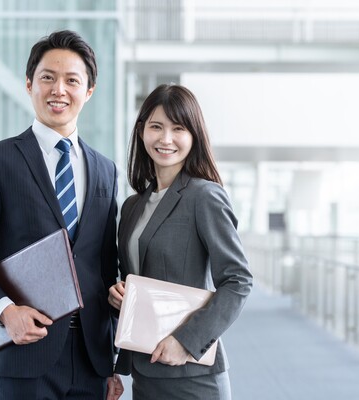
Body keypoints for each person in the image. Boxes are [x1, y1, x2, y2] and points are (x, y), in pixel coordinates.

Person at [0, 30, 124, 400]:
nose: (59, 89)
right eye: (48, 78)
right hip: (22, 352)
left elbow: (106, 265)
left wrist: (111, 364)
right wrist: (5, 311)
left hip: (92, 360)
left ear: (89, 91)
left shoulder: (106, 170)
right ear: (29, 85)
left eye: (72, 81)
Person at [108, 84, 253, 399]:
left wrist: (186, 341)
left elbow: (238, 281)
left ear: (194, 136)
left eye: (178, 128)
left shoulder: (205, 196)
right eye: (156, 127)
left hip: (192, 375)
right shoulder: (132, 207)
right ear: (141, 130)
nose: (166, 138)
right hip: (146, 370)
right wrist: (121, 295)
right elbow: (137, 278)